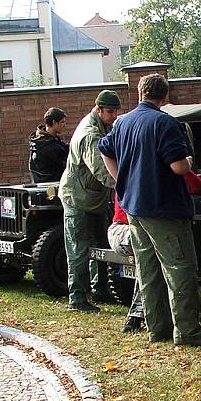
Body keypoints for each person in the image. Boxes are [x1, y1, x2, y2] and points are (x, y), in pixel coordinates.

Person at [98, 73, 201, 347]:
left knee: (148, 269)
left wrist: (121, 181)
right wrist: (189, 159)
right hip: (164, 209)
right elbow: (179, 167)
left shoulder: (123, 122)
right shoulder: (165, 123)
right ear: (165, 97)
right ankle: (187, 331)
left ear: (140, 94)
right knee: (179, 268)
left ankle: (157, 329)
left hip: (134, 208)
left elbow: (104, 150)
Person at [109, 169, 201, 334]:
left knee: (149, 266)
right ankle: (148, 319)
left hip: (118, 230)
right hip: (128, 230)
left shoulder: (128, 170)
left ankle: (144, 319)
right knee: (158, 261)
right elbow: (198, 186)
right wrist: (187, 166)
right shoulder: (162, 168)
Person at [58, 90, 121, 312]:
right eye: (111, 112)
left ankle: (100, 290)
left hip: (94, 198)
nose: (115, 116)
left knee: (100, 245)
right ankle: (77, 298)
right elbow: (102, 170)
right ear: (99, 109)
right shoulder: (90, 134)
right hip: (78, 199)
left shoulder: (104, 127)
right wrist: (126, 185)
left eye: (116, 111)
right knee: (79, 248)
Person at [29, 107, 69, 183]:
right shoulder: (49, 146)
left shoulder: (40, 141)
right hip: (50, 186)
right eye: (62, 122)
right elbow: (68, 164)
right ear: (54, 122)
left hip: (41, 185)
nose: (65, 125)